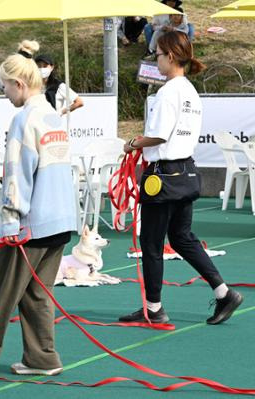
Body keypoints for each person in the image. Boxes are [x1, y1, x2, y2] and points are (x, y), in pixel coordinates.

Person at [0, 40, 77, 375]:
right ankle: (42, 357)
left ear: (19, 84)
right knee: (36, 293)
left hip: (32, 222)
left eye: (4, 86)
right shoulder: (52, 116)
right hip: (61, 219)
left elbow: (17, 177)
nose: (3, 92)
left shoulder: (25, 120)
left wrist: (9, 223)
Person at [119, 31, 243, 325]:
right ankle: (224, 292)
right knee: (182, 237)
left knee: (150, 242)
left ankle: (154, 308)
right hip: (186, 172)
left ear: (170, 56)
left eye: (158, 55)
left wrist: (133, 143)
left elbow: (160, 135)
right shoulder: (189, 90)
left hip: (162, 177)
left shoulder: (168, 91)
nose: (156, 60)